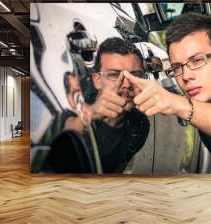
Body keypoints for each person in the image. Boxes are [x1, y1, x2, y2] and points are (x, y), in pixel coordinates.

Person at [123, 13, 211, 173]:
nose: (186, 76)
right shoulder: (203, 110)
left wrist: (182, 105)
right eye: (177, 68)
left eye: (197, 60)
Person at [64, 37, 150, 173]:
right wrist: (89, 114)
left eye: (135, 75)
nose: (126, 84)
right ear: (97, 81)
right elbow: (62, 139)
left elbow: (118, 168)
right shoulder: (74, 107)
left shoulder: (140, 124)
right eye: (115, 75)